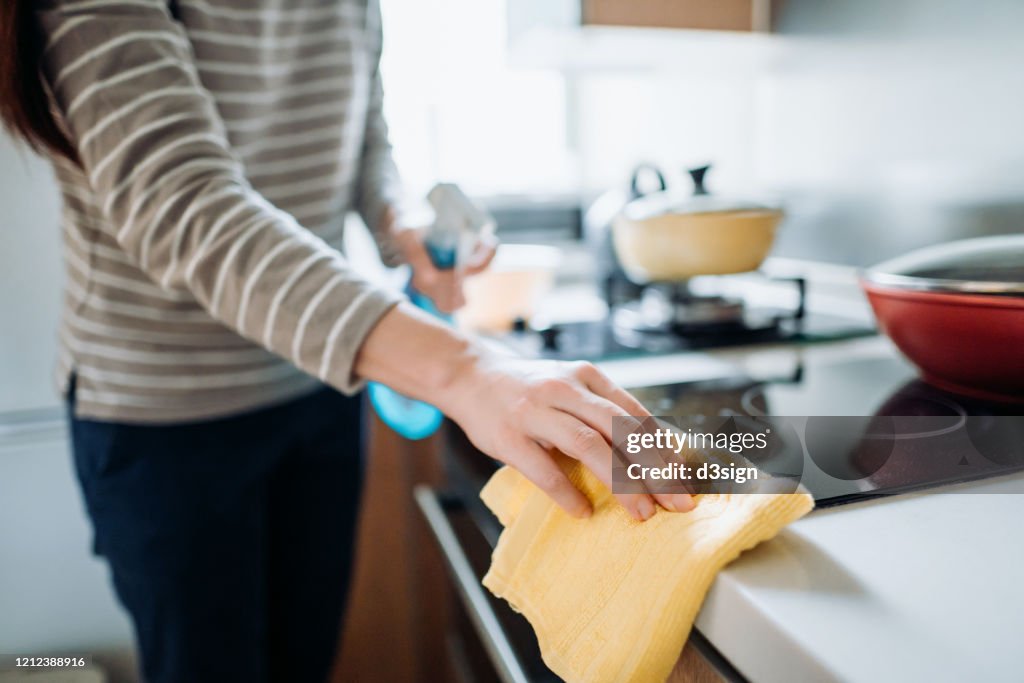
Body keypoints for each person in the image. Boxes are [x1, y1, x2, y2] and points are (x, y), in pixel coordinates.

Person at [0, 1, 695, 681]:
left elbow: (365, 144)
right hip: (166, 418)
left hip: (317, 388)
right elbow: (182, 203)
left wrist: (402, 222)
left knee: (306, 660)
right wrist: (469, 371)